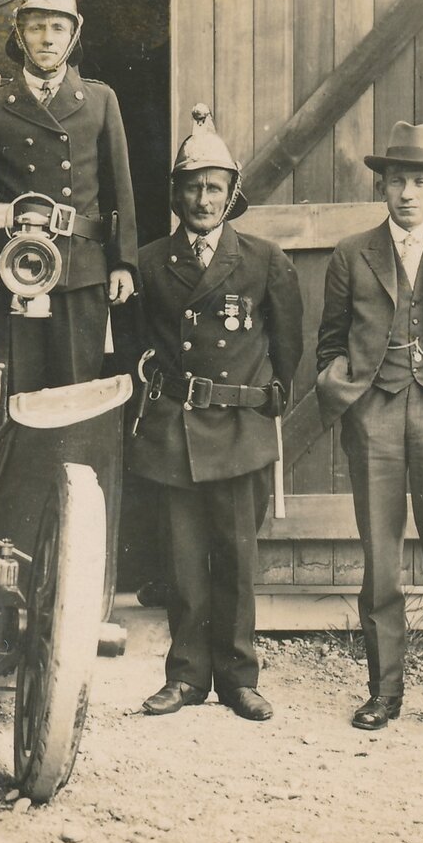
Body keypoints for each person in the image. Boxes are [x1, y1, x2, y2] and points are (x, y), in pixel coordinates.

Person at [314, 121, 423, 741]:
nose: (408, 193)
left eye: (420, 181)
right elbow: (330, 344)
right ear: (382, 188)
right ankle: (384, 693)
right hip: (378, 417)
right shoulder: (351, 251)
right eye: (397, 182)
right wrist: (353, 399)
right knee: (381, 565)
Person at [131, 104, 301, 721]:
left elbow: (289, 350)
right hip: (175, 428)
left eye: (214, 188)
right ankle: (183, 678)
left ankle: (238, 679)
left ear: (232, 195)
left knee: (235, 558)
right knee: (181, 563)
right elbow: (135, 344)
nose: (203, 199)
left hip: (237, 428)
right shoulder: (150, 263)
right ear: (175, 194)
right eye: (192, 187)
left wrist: (261, 403)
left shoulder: (263, 260)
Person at [0, 0, 137, 392]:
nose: (47, 38)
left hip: (81, 270)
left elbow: (120, 189)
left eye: (58, 27)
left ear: (74, 34)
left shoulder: (101, 101)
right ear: (18, 34)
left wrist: (123, 263)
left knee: (75, 390)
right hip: (14, 267)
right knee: (14, 386)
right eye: (36, 26)